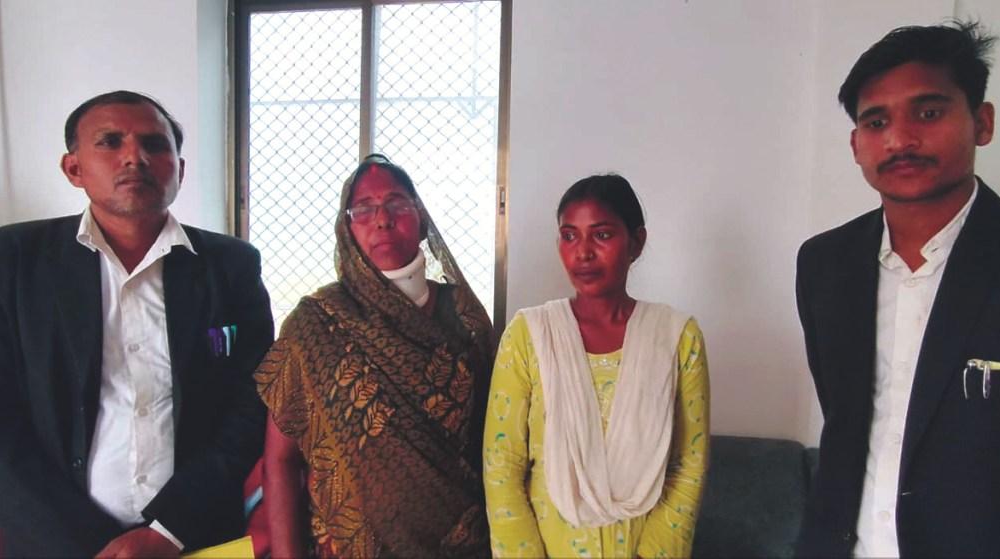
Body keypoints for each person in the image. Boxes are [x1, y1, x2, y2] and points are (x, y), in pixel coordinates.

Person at [0, 90, 274, 556]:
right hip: (55, 541)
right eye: (110, 142)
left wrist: (167, 531)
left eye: (154, 144)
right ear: (73, 168)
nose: (135, 157)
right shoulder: (16, 261)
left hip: (196, 536)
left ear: (179, 170)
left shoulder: (230, 266)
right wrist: (87, 543)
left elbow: (253, 401)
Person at [795, 21, 1000, 558]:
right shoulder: (824, 263)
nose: (899, 140)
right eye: (876, 122)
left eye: (929, 112)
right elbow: (845, 421)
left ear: (982, 122)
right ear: (856, 144)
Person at [255, 154, 496, 557]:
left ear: (421, 219)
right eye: (364, 209)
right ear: (347, 229)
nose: (383, 219)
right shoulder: (314, 324)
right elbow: (279, 461)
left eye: (397, 203)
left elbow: (499, 442)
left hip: (465, 545)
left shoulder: (466, 316)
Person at [483, 174, 710, 558]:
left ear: (636, 242)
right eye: (569, 236)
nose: (583, 252)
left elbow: (689, 463)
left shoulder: (676, 337)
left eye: (602, 235)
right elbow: (501, 465)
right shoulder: (529, 335)